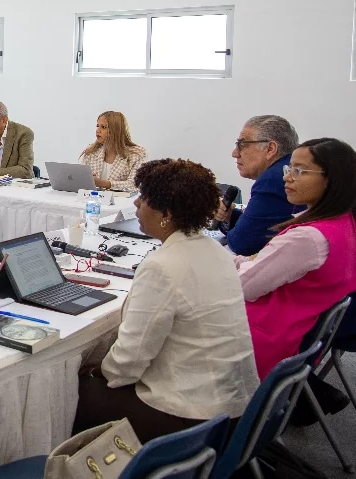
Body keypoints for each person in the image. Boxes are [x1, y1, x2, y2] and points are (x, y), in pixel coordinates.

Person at [73, 159, 259, 443]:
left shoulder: (162, 266)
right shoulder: (216, 251)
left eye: (144, 197)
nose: (136, 203)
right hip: (234, 407)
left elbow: (130, 359)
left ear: (167, 214)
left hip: (190, 417)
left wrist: (98, 370)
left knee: (71, 392)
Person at [236, 138, 356, 380]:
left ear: (331, 180)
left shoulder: (307, 238)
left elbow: (243, 285)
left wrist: (217, 263)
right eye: (289, 168)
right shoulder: (343, 223)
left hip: (259, 343)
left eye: (299, 171)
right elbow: (259, 265)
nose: (287, 177)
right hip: (292, 336)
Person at [215, 115, 303, 256]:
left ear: (270, 149)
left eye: (242, 144)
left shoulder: (272, 179)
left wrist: (235, 232)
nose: (235, 153)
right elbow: (262, 228)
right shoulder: (286, 169)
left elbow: (241, 243)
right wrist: (230, 216)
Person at [79, 111, 146, 191]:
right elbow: (81, 181)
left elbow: (134, 184)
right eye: (97, 126)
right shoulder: (91, 152)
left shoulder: (137, 154)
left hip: (120, 199)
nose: (98, 130)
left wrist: (102, 183)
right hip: (92, 198)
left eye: (103, 127)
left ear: (116, 131)